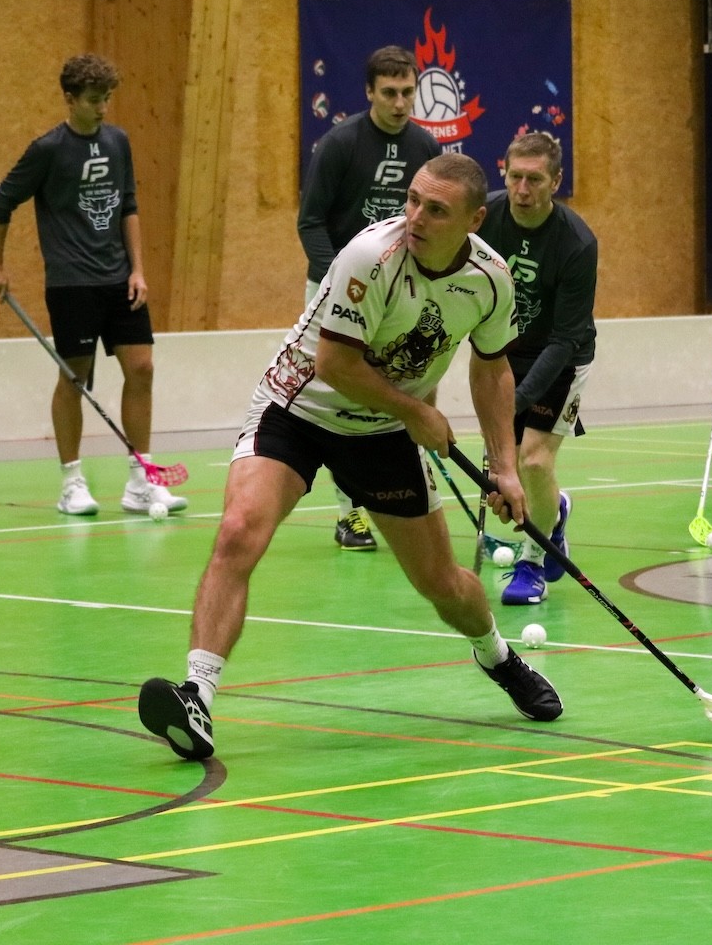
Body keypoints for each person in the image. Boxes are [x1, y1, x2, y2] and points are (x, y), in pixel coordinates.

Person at [139, 152, 561, 760]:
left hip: (381, 432)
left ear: (473, 220)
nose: (415, 217)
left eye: (436, 210)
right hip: (298, 406)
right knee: (238, 530)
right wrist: (417, 412)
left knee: (442, 583)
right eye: (412, 200)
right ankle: (197, 697)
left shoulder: (491, 279)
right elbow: (336, 365)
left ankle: (497, 656)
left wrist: (503, 466)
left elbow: (491, 367)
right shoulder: (370, 257)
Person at [0, 54, 185, 517]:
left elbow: (127, 205)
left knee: (142, 368)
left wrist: (138, 269)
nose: (102, 108)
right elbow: (3, 201)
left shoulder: (117, 141)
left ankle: (141, 482)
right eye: (94, 100)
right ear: (70, 99)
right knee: (74, 378)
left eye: (107, 98)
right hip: (71, 282)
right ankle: (71, 482)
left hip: (119, 278)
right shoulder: (48, 150)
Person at [297, 44, 442, 551]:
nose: (400, 103)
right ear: (369, 92)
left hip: (400, 293)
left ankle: (409, 492)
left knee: (408, 383)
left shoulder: (426, 147)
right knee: (342, 396)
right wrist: (341, 280)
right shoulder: (340, 144)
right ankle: (349, 513)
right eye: (389, 93)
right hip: (338, 290)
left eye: (408, 92)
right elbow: (310, 222)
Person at [474, 131, 597, 605]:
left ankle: (532, 562)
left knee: (534, 460)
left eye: (535, 180)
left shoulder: (576, 243)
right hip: (501, 352)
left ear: (556, 181)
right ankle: (555, 512)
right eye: (515, 177)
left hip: (562, 357)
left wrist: (515, 401)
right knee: (510, 467)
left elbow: (565, 339)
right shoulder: (484, 217)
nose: (522, 190)